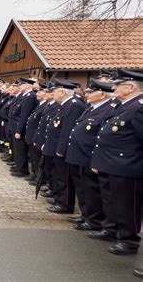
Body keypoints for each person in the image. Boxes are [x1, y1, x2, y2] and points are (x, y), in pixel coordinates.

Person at [90, 69, 143, 255]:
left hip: (127, 167)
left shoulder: (138, 107)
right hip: (110, 164)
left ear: (130, 87)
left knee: (127, 205)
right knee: (111, 202)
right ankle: (111, 229)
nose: (113, 87)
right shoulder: (123, 106)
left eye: (118, 85)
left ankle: (129, 240)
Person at [65, 78, 116, 231]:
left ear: (102, 95)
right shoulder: (91, 107)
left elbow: (101, 136)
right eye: (87, 92)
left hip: (89, 157)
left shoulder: (108, 109)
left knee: (92, 191)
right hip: (79, 155)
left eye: (90, 92)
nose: (87, 94)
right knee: (82, 190)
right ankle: (85, 215)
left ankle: (94, 220)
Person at [43, 79, 86, 214]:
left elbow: (67, 131)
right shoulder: (64, 104)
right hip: (55, 146)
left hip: (62, 149)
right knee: (58, 176)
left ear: (62, 91)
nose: (52, 94)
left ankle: (65, 204)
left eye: (54, 91)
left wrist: (61, 149)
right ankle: (59, 199)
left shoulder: (73, 105)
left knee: (64, 178)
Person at [9, 78, 37, 177]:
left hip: (20, 126)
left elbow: (24, 115)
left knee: (21, 150)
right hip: (15, 125)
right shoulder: (24, 96)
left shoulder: (30, 96)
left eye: (21, 84)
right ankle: (19, 166)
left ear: (27, 85)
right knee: (17, 149)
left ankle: (22, 170)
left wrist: (19, 130)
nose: (19, 86)